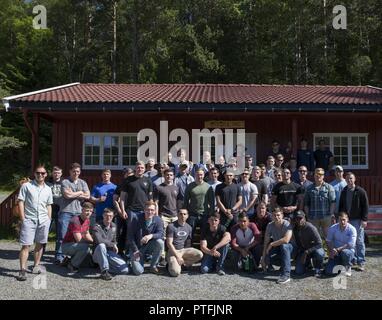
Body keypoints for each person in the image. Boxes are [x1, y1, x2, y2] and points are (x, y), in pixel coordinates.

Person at [17, 165, 53, 281]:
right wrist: (23, 218)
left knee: (40, 244)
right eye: (38, 173)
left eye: (43, 173)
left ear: (46, 174)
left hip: (43, 220)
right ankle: (22, 270)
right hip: (29, 219)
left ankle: (36, 265)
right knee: (26, 245)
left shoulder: (48, 189)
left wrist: (49, 219)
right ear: (34, 173)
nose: (40, 175)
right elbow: (21, 201)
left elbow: (49, 205)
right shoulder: (26, 186)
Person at [56, 162, 90, 264]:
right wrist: (80, 193)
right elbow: (67, 196)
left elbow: (88, 196)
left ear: (80, 172)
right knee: (62, 235)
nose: (76, 173)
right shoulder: (65, 182)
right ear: (70, 171)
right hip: (66, 211)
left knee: (77, 236)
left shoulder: (83, 183)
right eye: (74, 171)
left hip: (78, 213)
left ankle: (72, 257)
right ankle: (59, 256)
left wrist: (74, 193)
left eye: (78, 171)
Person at [339, 172, 369, 271]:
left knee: (359, 241)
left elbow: (365, 206)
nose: (349, 180)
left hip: (358, 220)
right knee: (350, 241)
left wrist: (364, 219)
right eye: (347, 179)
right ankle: (353, 259)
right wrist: (341, 217)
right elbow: (341, 205)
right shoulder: (344, 191)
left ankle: (361, 262)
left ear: (354, 179)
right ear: (345, 180)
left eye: (351, 178)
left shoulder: (360, 191)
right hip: (347, 220)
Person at [127, 200, 164, 275]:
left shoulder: (158, 220)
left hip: (149, 246)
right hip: (137, 248)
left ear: (155, 211)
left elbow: (160, 233)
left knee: (160, 242)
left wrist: (151, 236)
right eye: (147, 210)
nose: (149, 212)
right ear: (144, 210)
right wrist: (135, 250)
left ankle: (153, 266)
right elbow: (130, 236)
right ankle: (134, 261)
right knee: (138, 271)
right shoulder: (136, 219)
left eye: (152, 210)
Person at [92, 208, 129, 280]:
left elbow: (114, 240)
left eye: (110, 216)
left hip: (109, 252)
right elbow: (100, 241)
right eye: (106, 215)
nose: (108, 217)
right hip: (97, 253)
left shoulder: (114, 226)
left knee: (125, 270)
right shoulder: (96, 227)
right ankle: (104, 272)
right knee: (102, 245)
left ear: (113, 217)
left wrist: (114, 244)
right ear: (103, 215)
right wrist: (113, 245)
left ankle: (104, 267)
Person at [261, 207, 294, 284]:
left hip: (291, 249)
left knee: (284, 246)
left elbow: (286, 240)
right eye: (274, 215)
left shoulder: (287, 224)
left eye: (278, 215)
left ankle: (286, 275)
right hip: (279, 248)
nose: (276, 217)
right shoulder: (270, 225)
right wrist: (263, 259)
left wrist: (272, 244)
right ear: (272, 216)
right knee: (267, 253)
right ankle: (271, 266)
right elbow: (266, 243)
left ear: (282, 215)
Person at [166, 209, 203, 277]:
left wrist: (185, 256)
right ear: (177, 215)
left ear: (187, 216)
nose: (182, 216)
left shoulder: (189, 227)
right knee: (175, 273)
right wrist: (177, 256)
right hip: (173, 251)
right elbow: (169, 243)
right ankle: (171, 264)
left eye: (184, 214)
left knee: (200, 254)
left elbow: (188, 243)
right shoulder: (171, 226)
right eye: (180, 214)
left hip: (183, 250)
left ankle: (182, 264)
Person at [304, 168, 336, 240]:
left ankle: (329, 251)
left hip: (326, 217)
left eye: (321, 174)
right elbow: (306, 203)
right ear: (314, 175)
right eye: (317, 174)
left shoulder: (329, 187)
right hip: (313, 217)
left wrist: (330, 214)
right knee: (314, 238)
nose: (318, 176)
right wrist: (308, 215)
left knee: (328, 238)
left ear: (323, 176)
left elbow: (333, 202)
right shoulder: (309, 188)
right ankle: (317, 251)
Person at [62, 201, 94, 273]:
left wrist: (94, 242)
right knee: (85, 247)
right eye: (87, 211)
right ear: (82, 210)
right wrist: (90, 243)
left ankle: (68, 260)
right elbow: (79, 239)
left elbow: (87, 233)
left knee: (89, 250)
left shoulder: (87, 220)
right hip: (67, 246)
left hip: (76, 245)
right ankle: (72, 265)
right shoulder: (75, 220)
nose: (89, 213)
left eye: (91, 211)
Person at [293, 211, 325, 277]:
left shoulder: (311, 228)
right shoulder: (295, 229)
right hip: (304, 250)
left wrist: (307, 252)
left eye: (300, 218)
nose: (299, 220)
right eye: (297, 219)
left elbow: (320, 244)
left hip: (314, 250)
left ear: (304, 218)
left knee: (320, 253)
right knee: (298, 272)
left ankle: (318, 268)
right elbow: (298, 244)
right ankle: (308, 264)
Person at [183, 168, 214, 235]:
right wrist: (186, 213)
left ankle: (203, 245)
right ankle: (189, 245)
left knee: (204, 234)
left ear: (204, 175)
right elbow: (185, 201)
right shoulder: (190, 186)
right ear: (195, 175)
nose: (199, 176)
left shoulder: (208, 187)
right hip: (192, 214)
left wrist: (211, 214)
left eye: (201, 175)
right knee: (190, 233)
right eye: (198, 175)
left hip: (205, 214)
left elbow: (212, 202)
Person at [325, 212, 357, 277]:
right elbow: (328, 241)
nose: (342, 222)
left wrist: (338, 249)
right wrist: (331, 250)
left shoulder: (352, 229)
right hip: (335, 252)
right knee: (329, 272)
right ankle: (341, 264)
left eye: (344, 219)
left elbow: (351, 244)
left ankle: (348, 267)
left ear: (347, 219)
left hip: (348, 250)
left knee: (345, 253)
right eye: (340, 220)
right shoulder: (332, 228)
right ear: (337, 220)